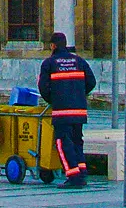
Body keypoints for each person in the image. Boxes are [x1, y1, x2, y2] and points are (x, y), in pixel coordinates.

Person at [37, 32, 97, 187]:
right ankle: (82, 172)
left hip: (62, 111)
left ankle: (73, 175)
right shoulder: (79, 61)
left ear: (53, 46)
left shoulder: (49, 63)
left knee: (63, 143)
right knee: (77, 141)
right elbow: (91, 81)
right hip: (79, 110)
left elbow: (43, 87)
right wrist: (79, 94)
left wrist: (54, 99)